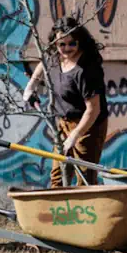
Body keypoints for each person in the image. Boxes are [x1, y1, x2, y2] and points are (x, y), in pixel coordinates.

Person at [23, 18, 109, 187]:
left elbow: (93, 109)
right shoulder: (55, 56)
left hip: (88, 126)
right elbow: (43, 64)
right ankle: (60, 211)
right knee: (58, 174)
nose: (66, 48)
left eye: (72, 44)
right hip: (63, 122)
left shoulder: (86, 70)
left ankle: (85, 212)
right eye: (62, 44)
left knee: (85, 177)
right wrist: (30, 86)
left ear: (80, 41)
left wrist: (75, 136)